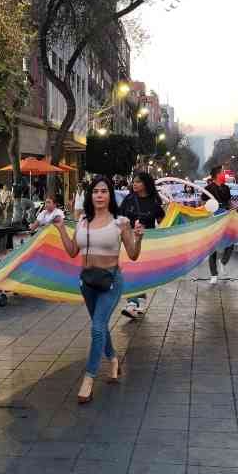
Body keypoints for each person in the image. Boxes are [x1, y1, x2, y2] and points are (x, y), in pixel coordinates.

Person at [54, 176, 143, 403]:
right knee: (100, 326)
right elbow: (73, 251)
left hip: (111, 282)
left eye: (104, 191)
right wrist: (62, 228)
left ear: (110, 195)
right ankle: (113, 360)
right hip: (87, 283)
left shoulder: (120, 222)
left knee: (96, 328)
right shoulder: (83, 221)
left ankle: (89, 378)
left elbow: (133, 254)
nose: (100, 195)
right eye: (96, 191)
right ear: (90, 195)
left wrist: (139, 238)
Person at [119, 172, 164, 318]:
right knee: (130, 271)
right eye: (134, 182)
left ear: (145, 183)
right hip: (128, 241)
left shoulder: (154, 202)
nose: (134, 184)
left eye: (138, 182)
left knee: (141, 273)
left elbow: (164, 220)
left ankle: (139, 301)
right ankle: (132, 303)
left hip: (147, 243)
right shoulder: (129, 199)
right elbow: (119, 217)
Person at [204, 166, 234, 284]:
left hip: (226, 218)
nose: (224, 174)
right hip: (213, 220)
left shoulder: (226, 188)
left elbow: (229, 202)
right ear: (217, 174)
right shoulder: (208, 188)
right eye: (222, 172)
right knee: (212, 247)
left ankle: (223, 261)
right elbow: (203, 204)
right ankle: (213, 274)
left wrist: (234, 209)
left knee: (230, 243)